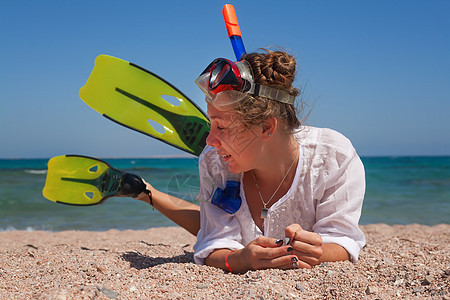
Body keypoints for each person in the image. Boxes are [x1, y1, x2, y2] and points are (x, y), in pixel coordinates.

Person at [137, 49, 366, 273]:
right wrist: (241, 259)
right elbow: (214, 242)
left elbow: (343, 240)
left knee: (204, 224)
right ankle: (145, 191)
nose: (210, 140)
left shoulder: (333, 157)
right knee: (207, 227)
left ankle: (145, 191)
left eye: (222, 126)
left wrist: (318, 252)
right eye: (211, 124)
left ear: (267, 126)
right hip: (226, 220)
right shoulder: (214, 161)